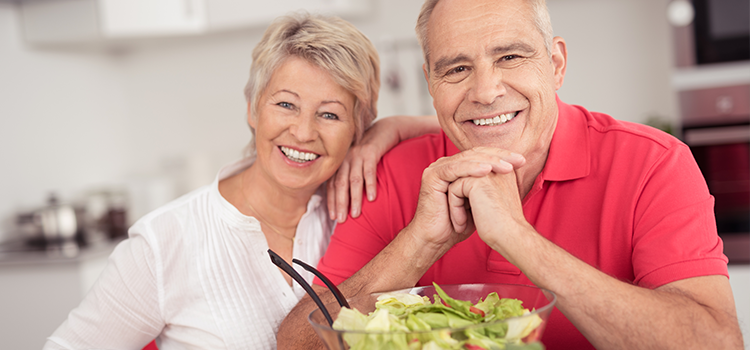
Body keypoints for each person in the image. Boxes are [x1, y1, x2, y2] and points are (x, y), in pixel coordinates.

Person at [278, 0, 745, 349]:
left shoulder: (654, 163)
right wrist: (422, 240)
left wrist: (517, 238)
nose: (485, 91)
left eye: (510, 57)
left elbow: (714, 343)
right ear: (431, 86)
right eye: (457, 69)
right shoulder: (392, 172)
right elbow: (297, 343)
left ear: (556, 64)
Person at [43, 13, 440, 350]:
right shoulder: (164, 242)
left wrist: (395, 126)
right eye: (285, 104)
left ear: (359, 129)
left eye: (330, 115)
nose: (302, 132)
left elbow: (471, 128)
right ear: (252, 108)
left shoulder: (364, 208)